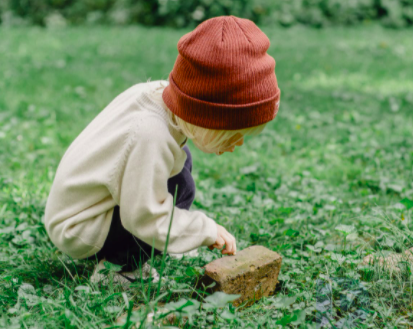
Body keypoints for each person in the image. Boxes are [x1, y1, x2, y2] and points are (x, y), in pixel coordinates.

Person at [44, 15, 281, 284]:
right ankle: (118, 269)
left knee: (181, 177)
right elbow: (145, 218)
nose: (237, 144)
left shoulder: (164, 101)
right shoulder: (149, 135)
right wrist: (204, 230)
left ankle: (165, 238)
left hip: (95, 203)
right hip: (79, 225)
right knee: (168, 196)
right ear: (206, 115)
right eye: (233, 134)